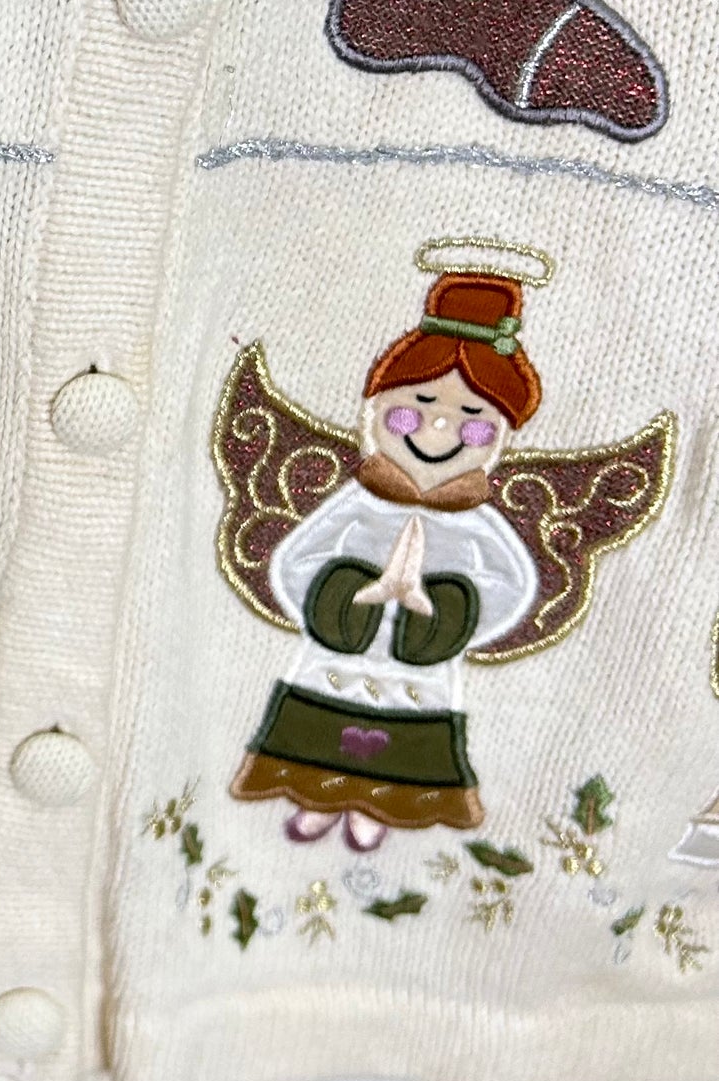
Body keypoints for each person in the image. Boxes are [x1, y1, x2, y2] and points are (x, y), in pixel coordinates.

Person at [230, 274, 543, 851]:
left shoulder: (479, 528)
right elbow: (298, 559)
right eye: (414, 408)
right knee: (319, 729)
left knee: (405, 747)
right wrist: (345, 596)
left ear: (498, 439)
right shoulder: (357, 504)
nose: (440, 427)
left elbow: (511, 587)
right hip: (336, 660)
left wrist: (445, 612)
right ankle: (318, 800)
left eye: (472, 418)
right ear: (375, 411)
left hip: (418, 677)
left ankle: (379, 806)